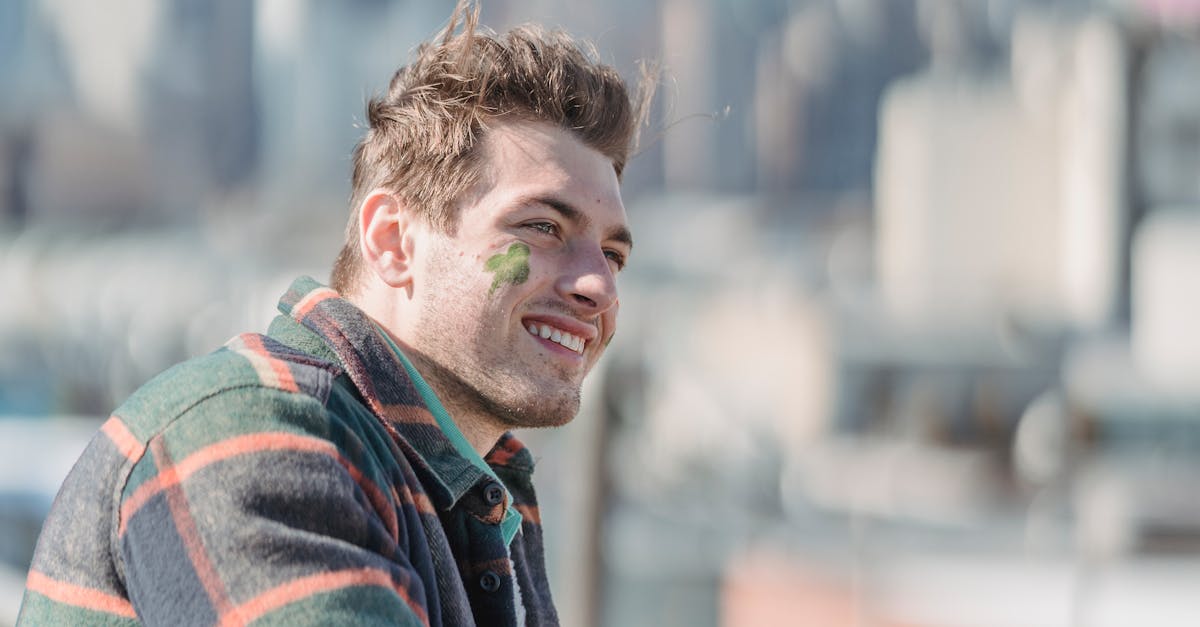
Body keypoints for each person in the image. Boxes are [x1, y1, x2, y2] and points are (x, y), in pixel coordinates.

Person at [18, 3, 649, 625]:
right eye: (541, 226)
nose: (598, 284)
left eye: (614, 254)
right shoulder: (254, 432)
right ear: (393, 241)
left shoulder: (478, 498)